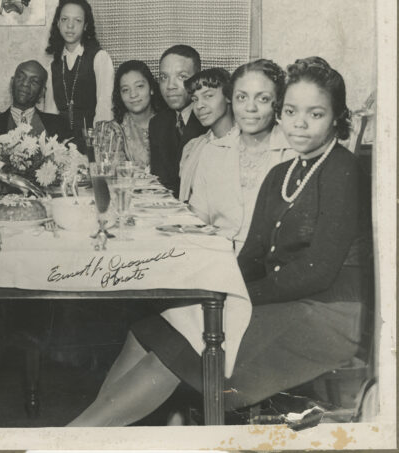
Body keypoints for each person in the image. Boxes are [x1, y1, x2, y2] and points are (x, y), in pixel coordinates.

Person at [69, 57, 368, 426]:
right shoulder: (281, 174)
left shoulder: (342, 169)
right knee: (151, 329)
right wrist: (214, 292)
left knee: (182, 349)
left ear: (337, 117)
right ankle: (90, 435)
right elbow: (252, 256)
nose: (300, 124)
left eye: (316, 114)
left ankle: (76, 437)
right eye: (291, 111)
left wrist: (228, 299)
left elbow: (318, 272)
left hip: (328, 316)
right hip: (284, 300)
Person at [189, 59, 296, 251]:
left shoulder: (295, 153)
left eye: (262, 98)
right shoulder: (212, 152)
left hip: (272, 266)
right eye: (241, 97)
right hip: (217, 260)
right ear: (231, 99)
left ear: (277, 102)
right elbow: (198, 220)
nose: (250, 108)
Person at [43, 0, 114, 153]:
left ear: (86, 26)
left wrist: (96, 148)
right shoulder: (53, 66)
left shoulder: (100, 58)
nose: (70, 26)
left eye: (77, 20)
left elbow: (104, 109)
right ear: (58, 23)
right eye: (65, 19)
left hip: (92, 143)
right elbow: (50, 114)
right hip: (61, 147)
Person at [148, 45, 208, 195]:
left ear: (197, 80)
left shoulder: (210, 120)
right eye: (164, 77)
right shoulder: (158, 123)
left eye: (181, 77)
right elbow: (160, 183)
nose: (170, 86)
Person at [178, 68, 235, 202]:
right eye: (195, 99)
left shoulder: (244, 144)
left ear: (228, 96)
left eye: (208, 96)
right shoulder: (193, 147)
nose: (199, 106)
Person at [0, 59, 71, 141]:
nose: (25, 84)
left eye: (34, 81)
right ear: (12, 82)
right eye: (21, 77)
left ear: (42, 92)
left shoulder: (60, 125)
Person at [109, 60, 164, 167]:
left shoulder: (169, 123)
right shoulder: (114, 130)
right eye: (125, 90)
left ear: (151, 88)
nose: (133, 94)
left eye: (139, 86)